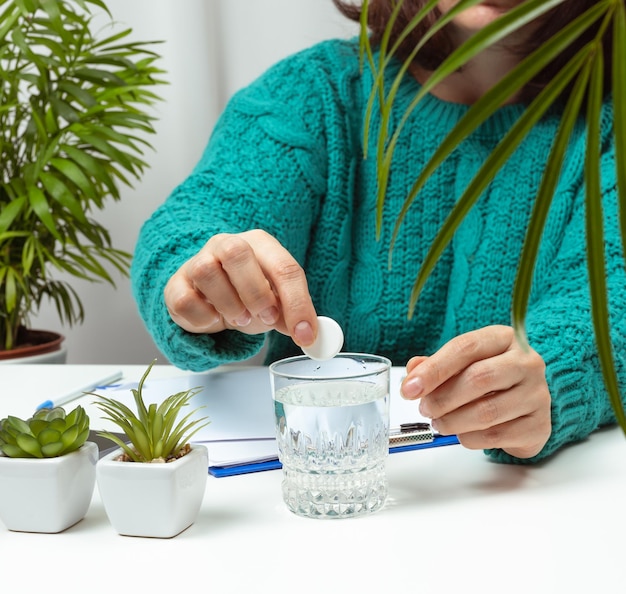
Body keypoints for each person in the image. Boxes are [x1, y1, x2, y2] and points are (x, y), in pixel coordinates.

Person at [131, 0, 626, 464]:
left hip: (516, 505)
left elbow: (613, 298)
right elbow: (195, 220)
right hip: (313, 483)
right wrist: (199, 278)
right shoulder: (314, 93)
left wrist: (558, 370)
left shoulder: (607, 119)